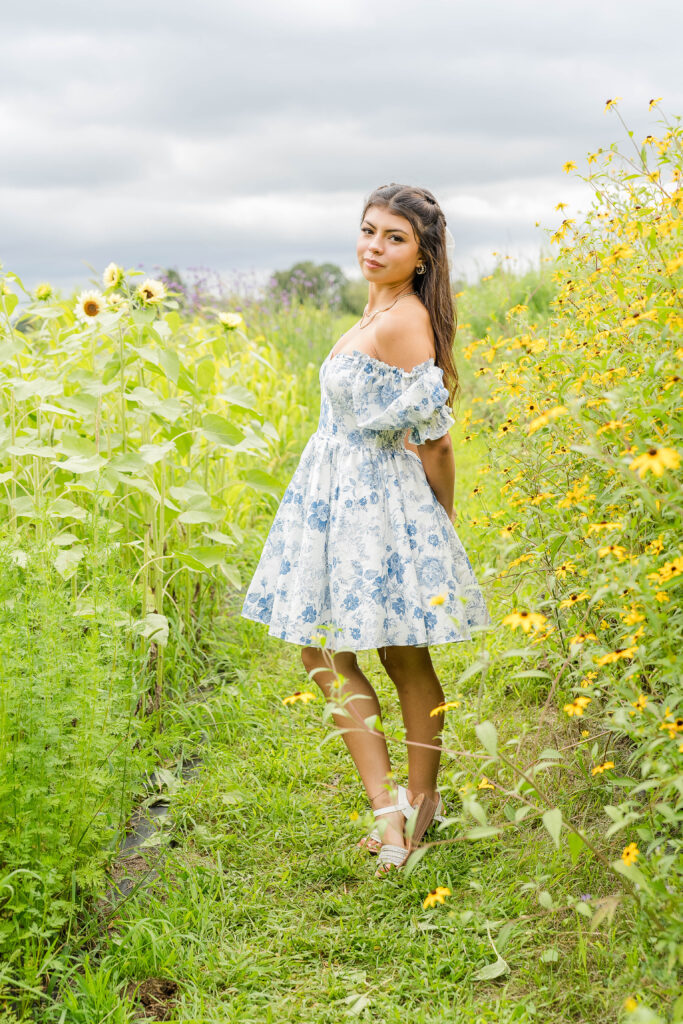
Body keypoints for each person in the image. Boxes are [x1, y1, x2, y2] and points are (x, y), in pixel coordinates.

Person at [241, 183, 492, 876]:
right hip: (336, 499)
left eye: (394, 238)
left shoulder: (404, 318)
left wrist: (440, 523)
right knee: (321, 650)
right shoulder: (372, 310)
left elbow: (434, 438)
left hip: (380, 505)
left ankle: (414, 805)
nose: (374, 247)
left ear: (420, 256)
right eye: (369, 231)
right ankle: (391, 807)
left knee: (400, 656)